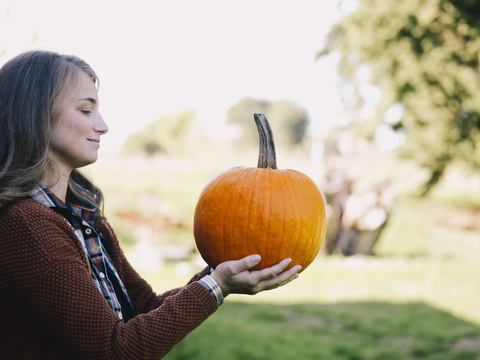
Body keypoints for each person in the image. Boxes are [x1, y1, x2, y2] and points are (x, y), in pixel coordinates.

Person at [0, 50, 302, 359]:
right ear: (34, 114)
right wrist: (217, 285)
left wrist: (219, 276)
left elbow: (144, 308)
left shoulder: (84, 216)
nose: (103, 126)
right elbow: (115, 351)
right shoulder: (26, 226)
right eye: (86, 110)